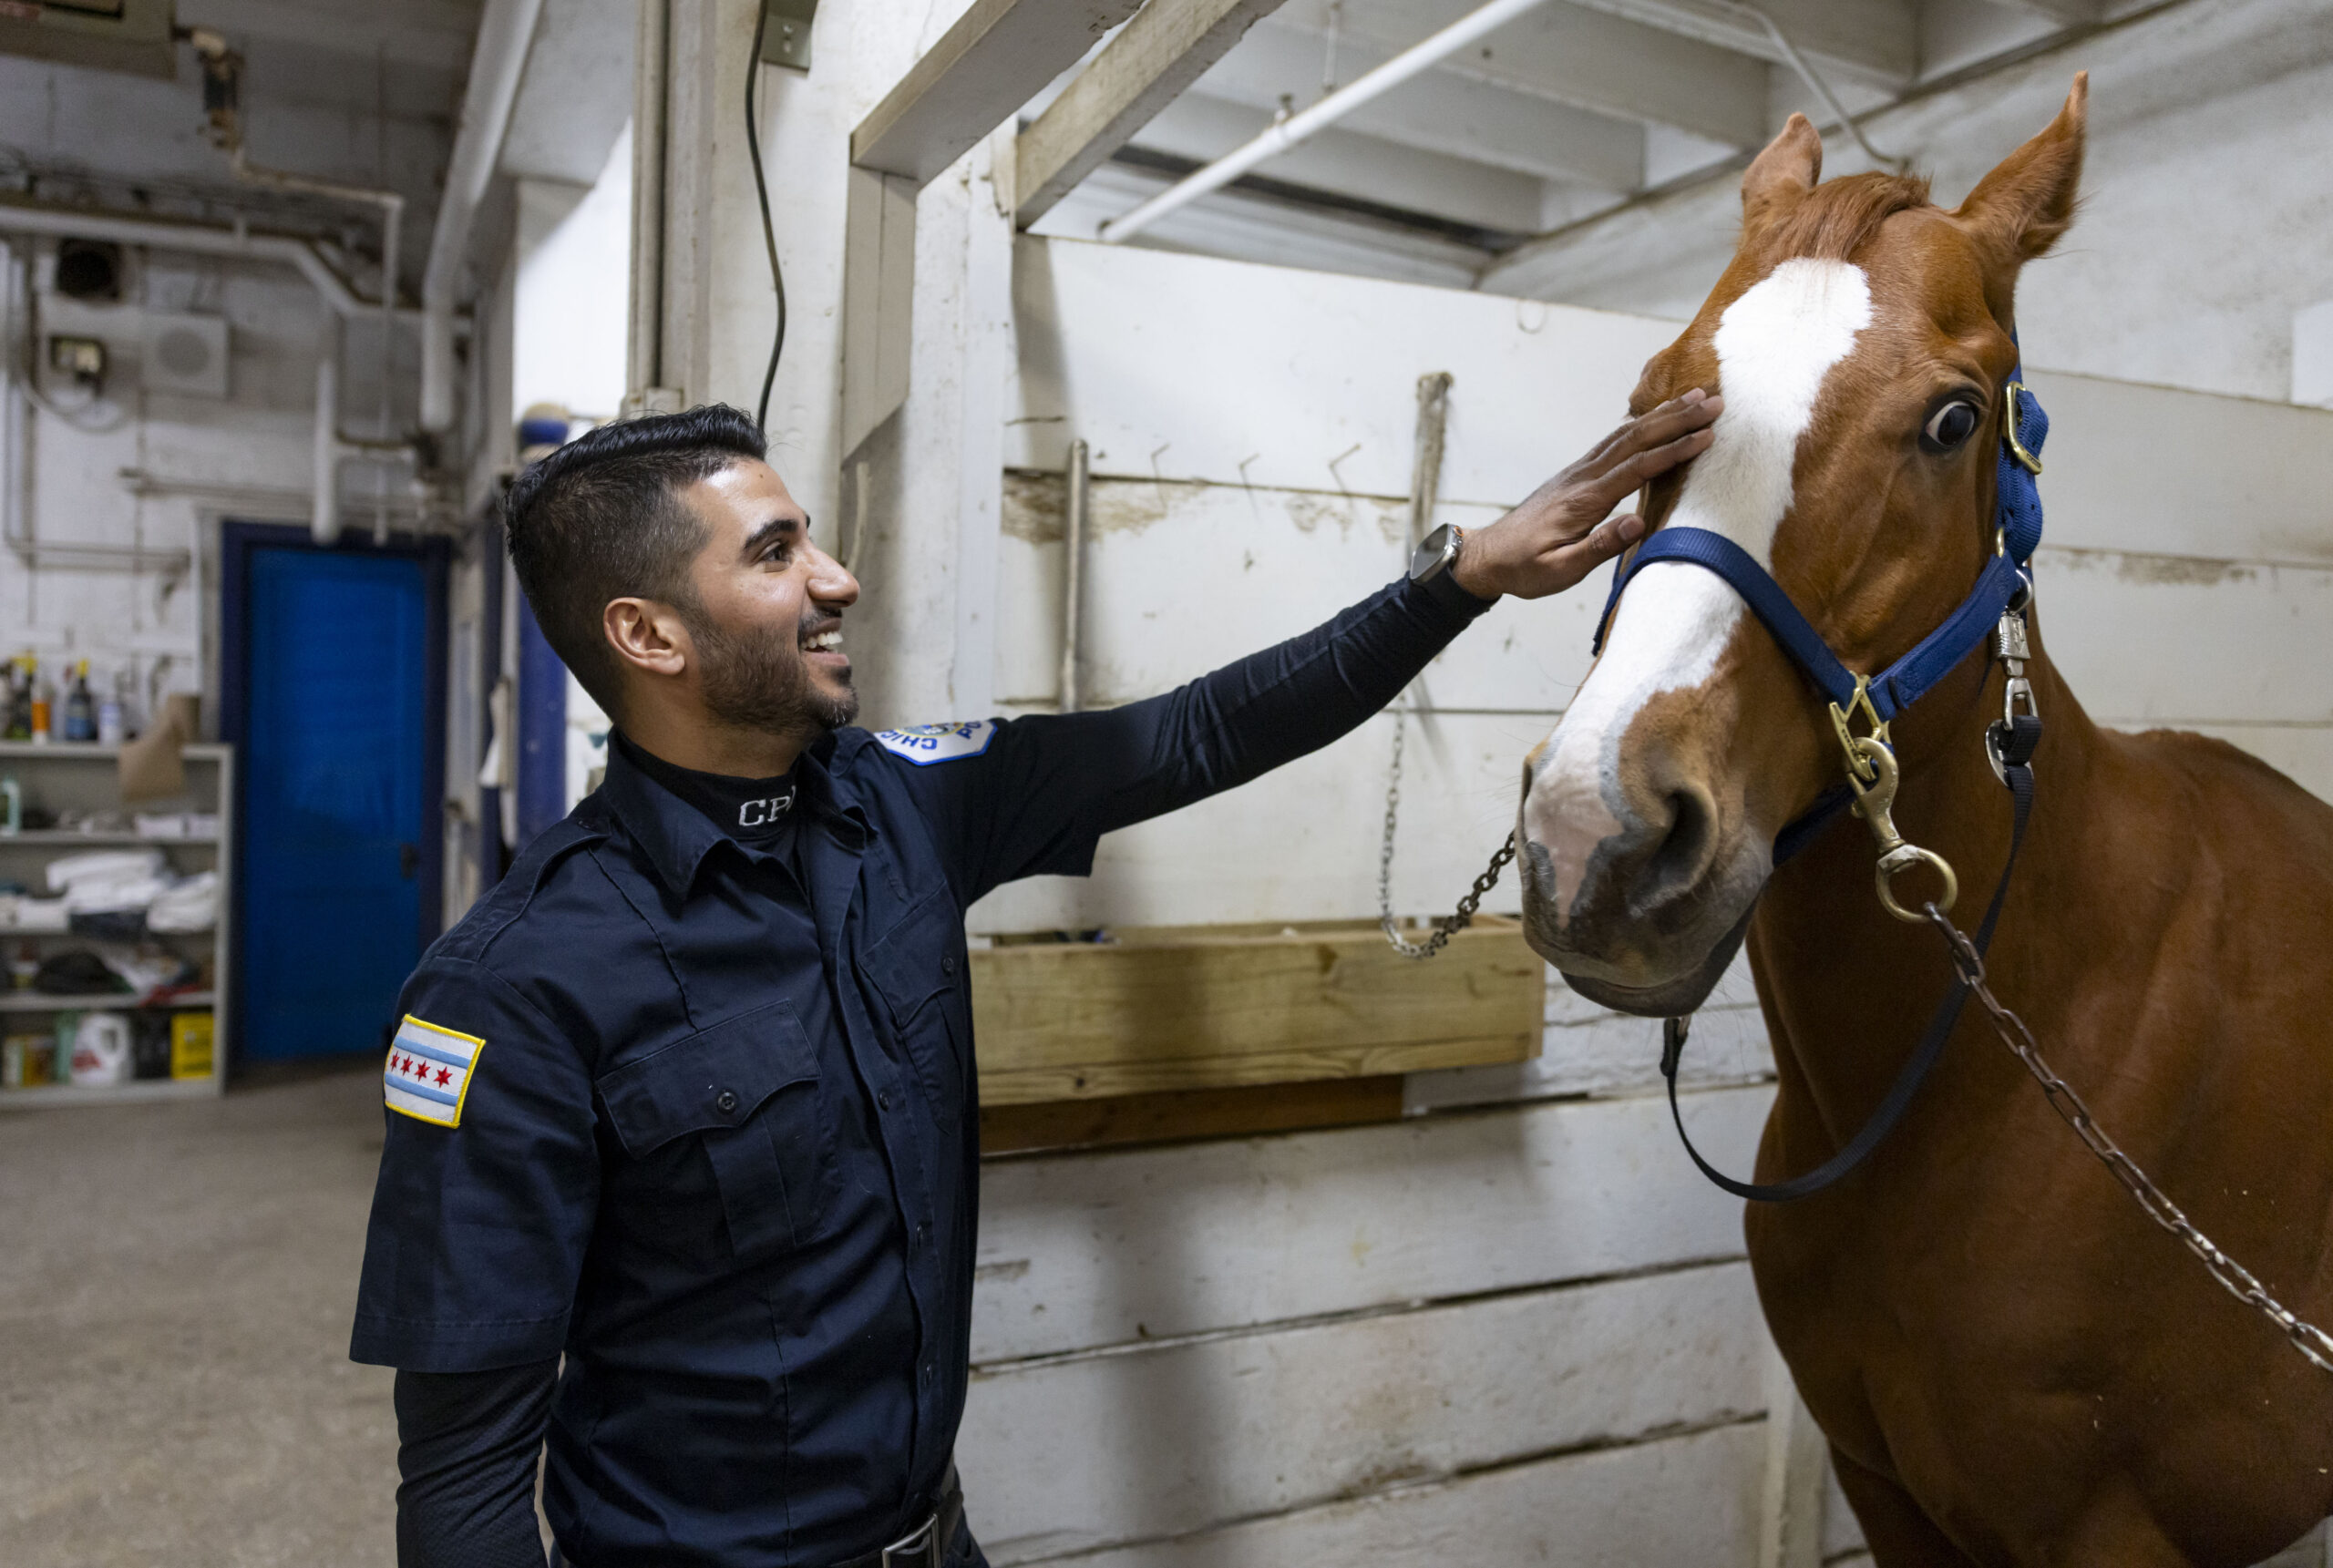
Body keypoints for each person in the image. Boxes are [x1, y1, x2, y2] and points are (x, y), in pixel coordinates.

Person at [352, 391, 1721, 1568]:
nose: (837, 578)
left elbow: (1189, 735)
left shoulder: (897, 807)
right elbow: (466, 1471)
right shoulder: (514, 988)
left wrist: (1462, 576)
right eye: (777, 554)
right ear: (651, 637)